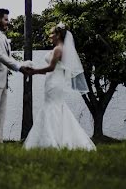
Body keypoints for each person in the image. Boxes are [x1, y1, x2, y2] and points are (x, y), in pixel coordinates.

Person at [23, 23, 96, 151]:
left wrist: (33, 71)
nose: (50, 36)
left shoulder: (58, 49)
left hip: (54, 82)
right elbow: (52, 69)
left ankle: (52, 140)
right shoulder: (61, 48)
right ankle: (59, 138)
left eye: (52, 34)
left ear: (58, 35)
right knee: (56, 106)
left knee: (52, 107)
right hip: (55, 80)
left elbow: (51, 68)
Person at [0, 8, 32, 146]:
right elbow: (0, 56)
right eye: (6, 19)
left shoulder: (2, 36)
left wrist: (22, 64)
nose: (8, 22)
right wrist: (19, 67)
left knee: (0, 115)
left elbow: (8, 57)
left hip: (2, 81)